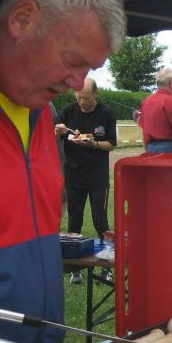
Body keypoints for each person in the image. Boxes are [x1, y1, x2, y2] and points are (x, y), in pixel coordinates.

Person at [0, 0, 125, 343]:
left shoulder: (42, 114)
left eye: (89, 69)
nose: (77, 81)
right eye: (72, 60)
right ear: (22, 19)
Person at [55, 78, 117, 284]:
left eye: (86, 98)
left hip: (98, 176)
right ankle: (75, 269)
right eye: (79, 98)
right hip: (73, 175)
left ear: (95, 94)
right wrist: (57, 132)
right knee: (75, 221)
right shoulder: (67, 111)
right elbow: (54, 139)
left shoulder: (106, 113)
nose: (82, 102)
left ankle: (107, 266)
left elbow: (112, 144)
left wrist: (94, 144)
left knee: (100, 220)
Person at [138, 66, 172, 153]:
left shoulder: (146, 101)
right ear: (171, 83)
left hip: (150, 147)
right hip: (169, 148)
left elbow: (143, 126)